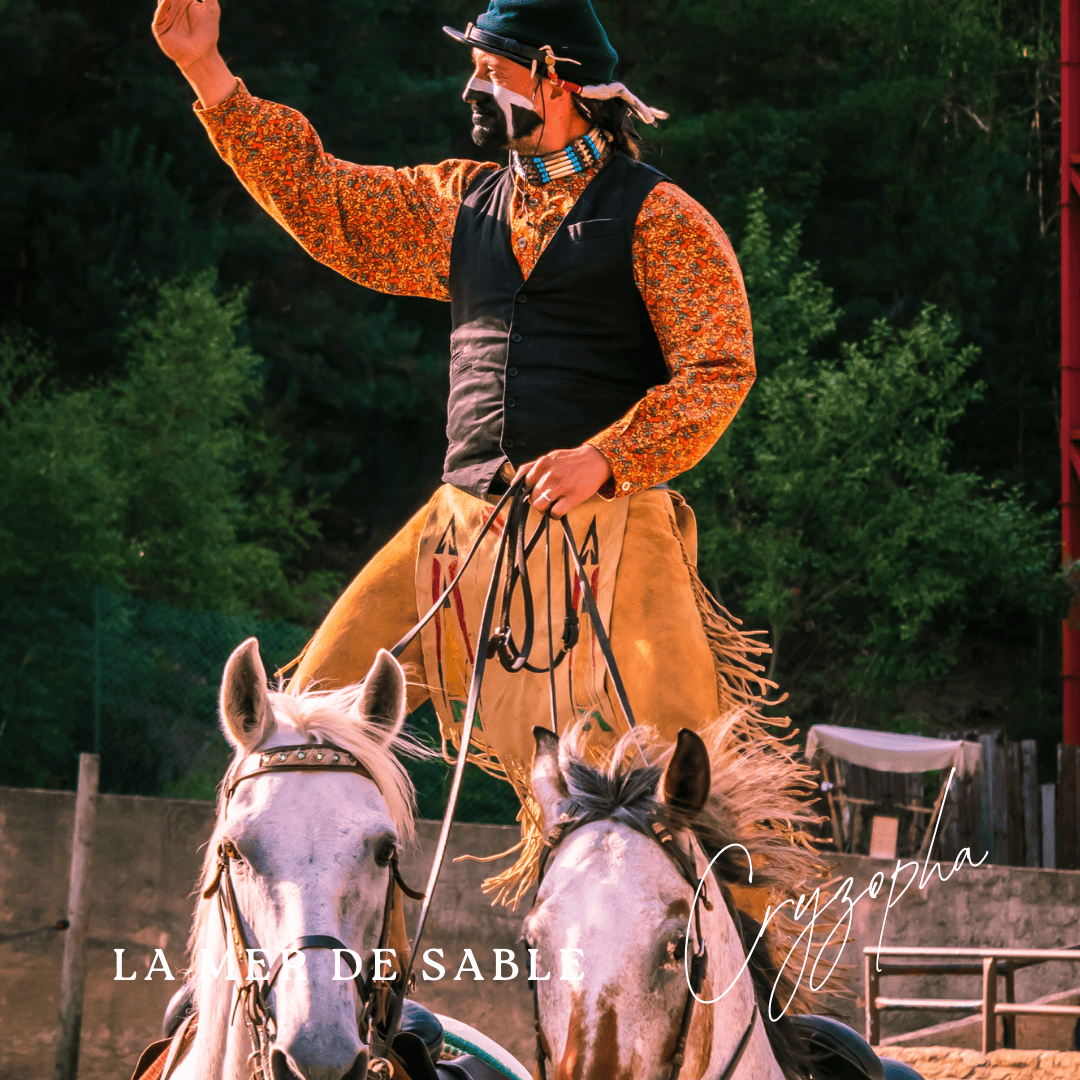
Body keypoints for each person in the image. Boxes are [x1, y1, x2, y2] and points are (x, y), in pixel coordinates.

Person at [152, 0, 776, 901]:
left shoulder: (662, 218)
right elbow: (327, 201)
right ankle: (316, 987)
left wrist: (605, 456)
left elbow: (720, 366)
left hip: (614, 528)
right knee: (303, 723)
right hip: (457, 534)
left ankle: (765, 1002)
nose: (471, 88)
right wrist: (207, 72)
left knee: (690, 767)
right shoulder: (456, 200)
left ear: (554, 80)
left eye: (491, 70)